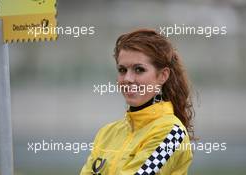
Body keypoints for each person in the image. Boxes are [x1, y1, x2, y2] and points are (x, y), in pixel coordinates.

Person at [80, 29, 194, 175]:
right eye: (122, 70)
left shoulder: (172, 133)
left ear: (163, 75)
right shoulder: (107, 133)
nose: (127, 78)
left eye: (139, 69)